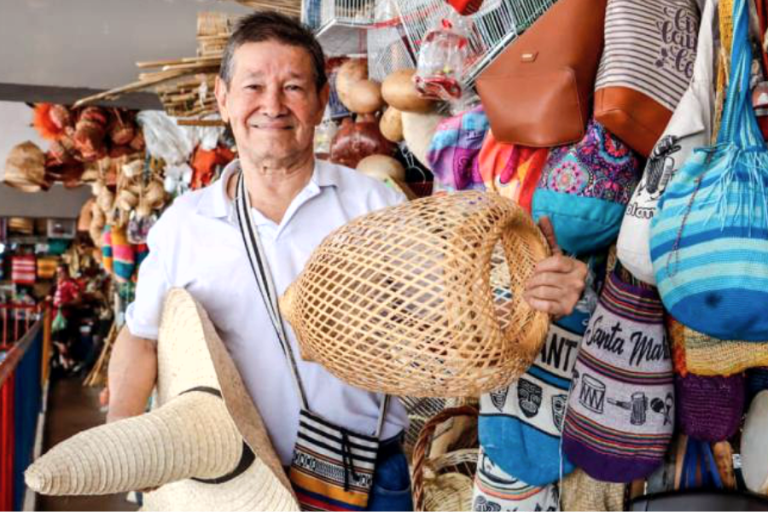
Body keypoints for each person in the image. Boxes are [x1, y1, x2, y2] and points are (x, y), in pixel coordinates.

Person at [107, 11, 587, 512]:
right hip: (230, 486)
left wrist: (530, 295)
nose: (272, 105)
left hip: (363, 479)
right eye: (253, 86)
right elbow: (142, 337)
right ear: (223, 98)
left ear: (320, 101)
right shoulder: (184, 225)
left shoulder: (375, 205)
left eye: (293, 87)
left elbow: (448, 319)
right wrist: (123, 426)